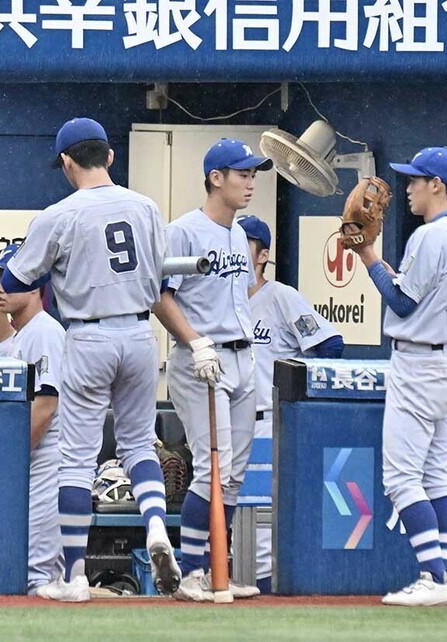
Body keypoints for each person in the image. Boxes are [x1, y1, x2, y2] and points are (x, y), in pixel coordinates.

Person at [0, 117, 180, 602]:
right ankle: (157, 526)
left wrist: (57, 263)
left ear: (66, 162)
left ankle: (76, 575)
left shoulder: (59, 214)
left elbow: (15, 283)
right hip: (142, 332)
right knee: (140, 445)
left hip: (89, 334)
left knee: (77, 461)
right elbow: (162, 281)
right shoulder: (145, 206)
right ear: (110, 157)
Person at [349, 147, 447, 607]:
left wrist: (367, 255)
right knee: (435, 478)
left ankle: (434, 576)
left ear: (437, 185)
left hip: (419, 365)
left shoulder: (431, 237)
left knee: (402, 480)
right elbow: (413, 295)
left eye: (415, 181)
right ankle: (441, 575)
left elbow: (403, 304)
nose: (406, 189)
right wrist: (380, 264)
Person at [153, 138, 272, 602]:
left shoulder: (240, 234)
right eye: (241, 173)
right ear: (215, 177)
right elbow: (159, 295)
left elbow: (238, 297)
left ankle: (217, 570)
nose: (250, 181)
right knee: (211, 472)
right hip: (203, 360)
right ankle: (196, 572)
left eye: (252, 174)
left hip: (242, 356)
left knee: (234, 475)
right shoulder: (183, 230)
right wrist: (196, 341)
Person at [237, 214, 344, 593]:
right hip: (229, 423)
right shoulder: (219, 300)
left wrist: (296, 403)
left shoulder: (281, 297)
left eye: (245, 243)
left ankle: (268, 605)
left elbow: (329, 346)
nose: (236, 249)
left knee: (263, 532)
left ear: (263, 254)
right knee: (234, 526)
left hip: (267, 422)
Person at [0, 243, 63, 594]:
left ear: (35, 285)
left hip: (50, 461)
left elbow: (46, 405)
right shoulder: (22, 335)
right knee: (34, 573)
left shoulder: (44, 330)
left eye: (9, 279)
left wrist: (9, 460)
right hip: (34, 460)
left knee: (37, 573)